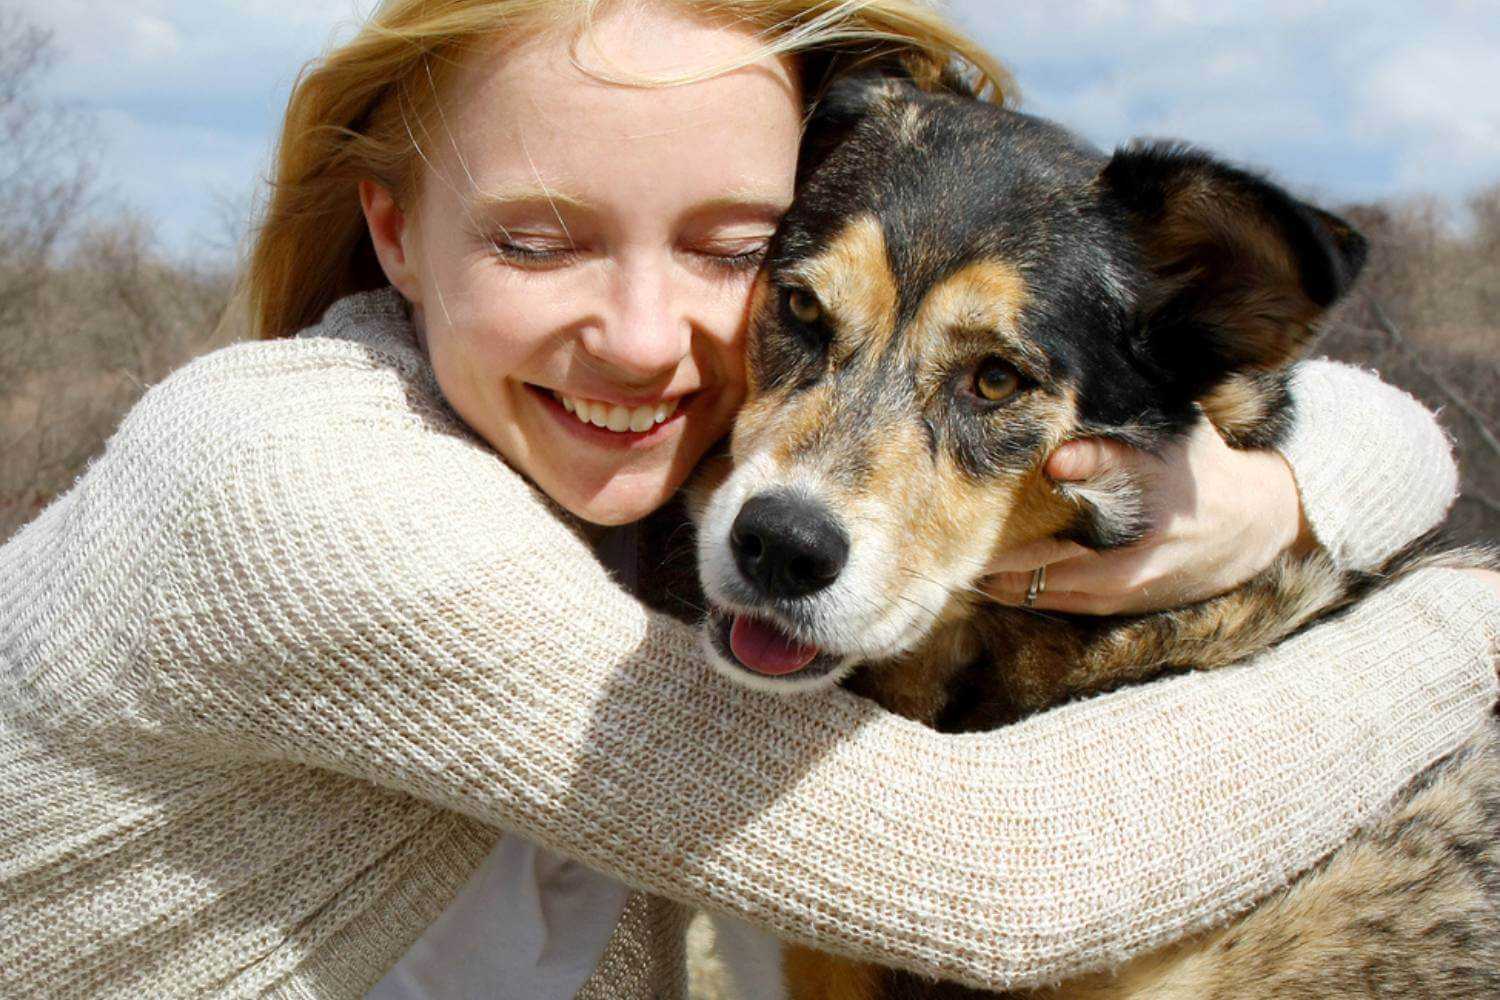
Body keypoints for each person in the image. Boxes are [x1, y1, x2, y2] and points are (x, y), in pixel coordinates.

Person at [1, 1, 1495, 998]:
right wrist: (1464, 634)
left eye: (724, 253)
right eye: (538, 241)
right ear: (393, 232)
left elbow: (1349, 407)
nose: (648, 338)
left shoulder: (616, 472)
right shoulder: (297, 494)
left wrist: (1290, 493)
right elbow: (1012, 875)